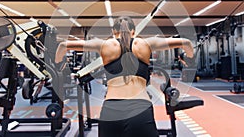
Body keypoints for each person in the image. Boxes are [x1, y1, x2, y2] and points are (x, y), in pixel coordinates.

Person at [55, 16, 194, 137]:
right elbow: (186, 43)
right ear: (133, 31)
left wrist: (60, 65)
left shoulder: (104, 45)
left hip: (111, 111)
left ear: (113, 32)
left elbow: (63, 46)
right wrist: (187, 60)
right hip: (140, 109)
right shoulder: (145, 44)